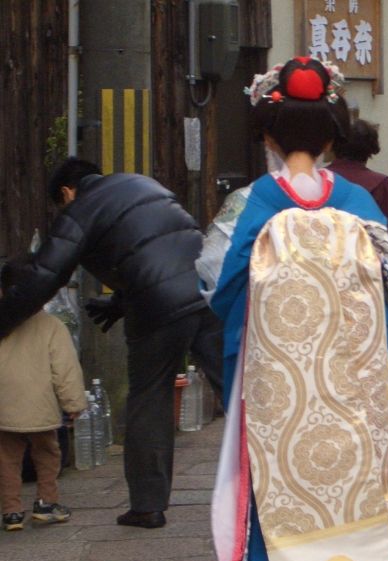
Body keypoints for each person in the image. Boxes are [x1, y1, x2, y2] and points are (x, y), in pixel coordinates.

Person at [207, 57, 388, 561]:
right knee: (350, 486)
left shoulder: (253, 203)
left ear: (267, 135)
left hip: (278, 388)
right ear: (330, 135)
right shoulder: (358, 202)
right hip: (352, 382)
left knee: (282, 487)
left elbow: (219, 288)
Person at [0, 157, 223, 529]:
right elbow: (159, 249)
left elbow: (44, 275)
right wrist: (119, 302)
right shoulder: (144, 185)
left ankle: (148, 505)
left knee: (150, 398)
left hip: (156, 310)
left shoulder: (79, 209)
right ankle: (276, 482)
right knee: (238, 392)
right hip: (207, 294)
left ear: (67, 192)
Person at [0, 258, 87, 532]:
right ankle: (46, 503)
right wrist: (73, 402)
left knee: (6, 459)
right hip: (41, 407)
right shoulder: (51, 326)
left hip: (4, 406)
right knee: (48, 454)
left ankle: (12, 512)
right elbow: (65, 369)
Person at [328, 119, 388, 318]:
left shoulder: (321, 181)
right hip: (367, 279)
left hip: (325, 276)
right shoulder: (378, 184)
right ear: (370, 150)